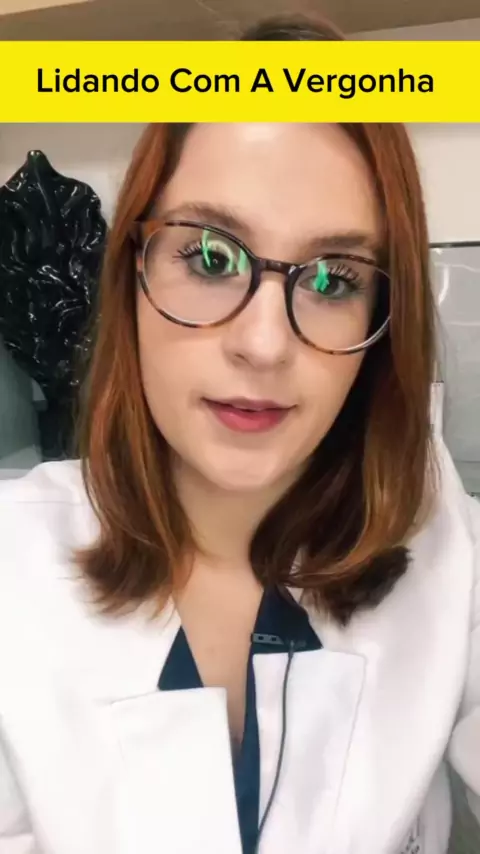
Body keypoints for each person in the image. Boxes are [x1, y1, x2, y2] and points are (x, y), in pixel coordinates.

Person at [0, 14, 479, 854]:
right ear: (132, 276)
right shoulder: (14, 564)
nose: (263, 344)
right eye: (212, 258)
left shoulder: (441, 542)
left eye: (334, 278)